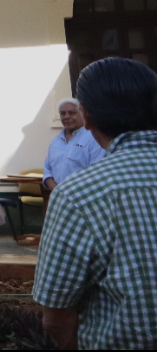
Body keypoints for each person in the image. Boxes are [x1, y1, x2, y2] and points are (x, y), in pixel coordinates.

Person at [34, 57, 157, 350]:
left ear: (85, 117)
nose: (65, 117)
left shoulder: (78, 194)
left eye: (70, 112)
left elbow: (56, 314)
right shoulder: (62, 157)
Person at [42, 98, 106, 191]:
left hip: (84, 197)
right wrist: (56, 190)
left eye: (71, 113)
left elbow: (96, 173)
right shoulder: (55, 142)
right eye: (62, 113)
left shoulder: (93, 139)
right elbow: (47, 170)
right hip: (59, 198)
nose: (66, 117)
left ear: (83, 114)